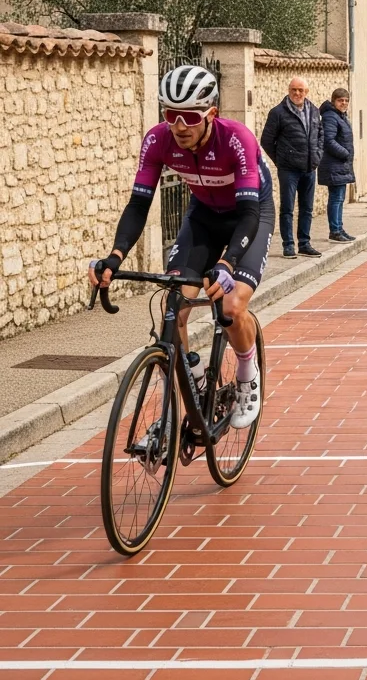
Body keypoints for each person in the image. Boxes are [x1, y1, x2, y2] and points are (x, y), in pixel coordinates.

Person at [89, 66, 275, 429]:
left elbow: (250, 215)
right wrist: (115, 256)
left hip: (248, 215)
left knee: (232, 306)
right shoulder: (158, 140)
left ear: (211, 115)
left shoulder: (237, 139)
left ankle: (247, 375)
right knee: (173, 304)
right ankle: (191, 380)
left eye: (189, 116)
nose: (179, 126)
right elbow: (138, 205)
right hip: (203, 216)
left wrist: (227, 262)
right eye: (170, 115)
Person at [260, 76, 324, 259]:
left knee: (307, 208)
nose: (297, 93)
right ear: (289, 90)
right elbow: (266, 140)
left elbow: (320, 134)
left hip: (309, 167)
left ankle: (304, 243)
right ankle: (288, 245)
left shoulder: (313, 110)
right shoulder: (278, 112)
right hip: (288, 169)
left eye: (301, 90)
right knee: (287, 208)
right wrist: (281, 160)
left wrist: (317, 155)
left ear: (306, 92)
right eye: (294, 90)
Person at [318, 87, 355, 243]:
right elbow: (328, 141)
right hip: (334, 165)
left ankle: (339, 228)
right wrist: (345, 153)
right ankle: (335, 230)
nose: (344, 103)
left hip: (341, 165)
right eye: (340, 100)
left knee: (339, 198)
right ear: (334, 101)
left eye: (346, 101)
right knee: (336, 198)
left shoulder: (340, 116)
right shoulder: (331, 117)